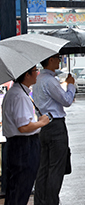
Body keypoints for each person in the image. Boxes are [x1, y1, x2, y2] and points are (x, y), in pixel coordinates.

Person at [2, 66, 50, 205]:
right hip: (23, 146)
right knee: (21, 188)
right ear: (27, 75)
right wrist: (41, 123)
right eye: (35, 71)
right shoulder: (19, 96)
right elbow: (23, 127)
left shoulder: (17, 92)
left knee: (17, 188)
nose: (37, 73)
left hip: (19, 145)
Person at [32, 54, 76, 205]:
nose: (59, 60)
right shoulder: (50, 81)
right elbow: (67, 101)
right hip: (56, 126)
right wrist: (70, 85)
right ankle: (51, 201)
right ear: (50, 60)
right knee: (56, 168)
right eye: (57, 58)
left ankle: (40, 200)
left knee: (44, 167)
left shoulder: (37, 80)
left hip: (44, 126)